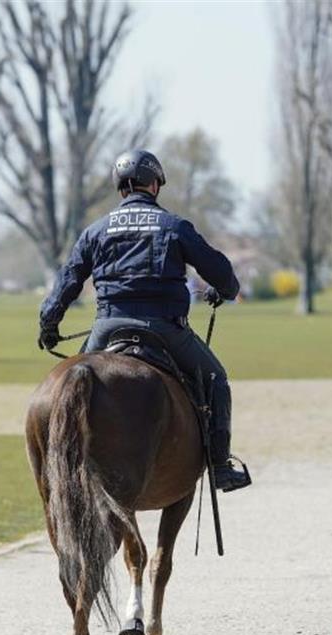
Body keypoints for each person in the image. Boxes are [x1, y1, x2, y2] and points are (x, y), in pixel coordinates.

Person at [37, 148, 251, 492]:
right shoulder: (174, 226)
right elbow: (222, 272)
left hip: (106, 328)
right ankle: (221, 467)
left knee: (68, 387)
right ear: (154, 185)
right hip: (164, 329)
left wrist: (49, 323)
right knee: (216, 379)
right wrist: (223, 291)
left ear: (121, 187)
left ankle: (56, 470)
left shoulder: (95, 231)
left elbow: (67, 282)